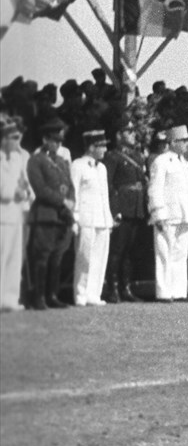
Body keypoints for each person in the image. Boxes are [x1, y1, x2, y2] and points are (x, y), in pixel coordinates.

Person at [26, 116, 75, 309]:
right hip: (46, 214)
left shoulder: (62, 161)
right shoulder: (36, 160)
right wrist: (62, 201)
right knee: (42, 257)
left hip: (62, 216)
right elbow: (40, 189)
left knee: (57, 257)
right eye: (54, 141)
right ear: (45, 139)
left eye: (59, 141)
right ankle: (38, 297)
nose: (57, 145)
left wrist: (71, 201)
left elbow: (70, 185)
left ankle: (52, 295)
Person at [148, 124, 188, 302]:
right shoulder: (161, 161)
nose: (186, 144)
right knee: (164, 254)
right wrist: (158, 214)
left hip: (183, 215)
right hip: (168, 215)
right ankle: (163, 292)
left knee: (180, 255)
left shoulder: (185, 164)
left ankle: (178, 292)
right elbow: (155, 189)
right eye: (183, 141)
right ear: (173, 142)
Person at [103, 118, 148, 303]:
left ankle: (126, 287)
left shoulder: (138, 156)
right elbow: (109, 185)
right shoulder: (112, 157)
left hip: (136, 208)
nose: (133, 134)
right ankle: (113, 289)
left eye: (133, 131)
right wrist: (114, 210)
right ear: (119, 135)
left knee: (130, 251)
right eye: (128, 131)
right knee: (117, 250)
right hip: (122, 208)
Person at [70, 129, 115, 306]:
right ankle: (80, 294)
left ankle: (94, 294)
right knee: (84, 258)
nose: (105, 150)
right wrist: (74, 218)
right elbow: (74, 193)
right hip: (86, 219)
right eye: (101, 146)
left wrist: (108, 220)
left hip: (101, 219)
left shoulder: (102, 168)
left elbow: (105, 196)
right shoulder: (77, 165)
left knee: (99, 259)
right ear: (91, 147)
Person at [0, 116, 31, 312]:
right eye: (13, 138)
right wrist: (16, 191)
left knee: (14, 258)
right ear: (4, 139)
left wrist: (24, 192)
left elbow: (24, 184)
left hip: (15, 214)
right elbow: (4, 191)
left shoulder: (18, 158)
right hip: (2, 215)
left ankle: (10, 299)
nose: (16, 142)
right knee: (1, 258)